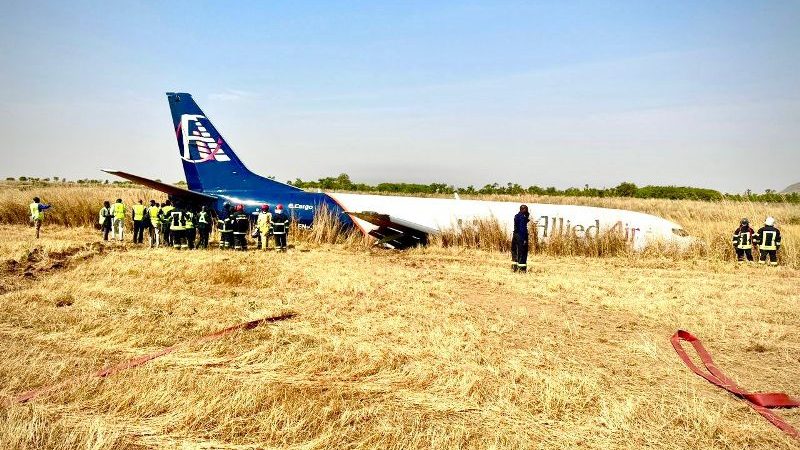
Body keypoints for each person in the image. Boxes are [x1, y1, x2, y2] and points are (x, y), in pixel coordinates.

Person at [511, 205, 530, 272]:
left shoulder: (516, 216)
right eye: (526, 209)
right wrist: (524, 239)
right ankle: (522, 269)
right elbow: (522, 228)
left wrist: (526, 217)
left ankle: (514, 267)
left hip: (515, 235)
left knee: (515, 252)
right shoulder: (522, 217)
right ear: (523, 209)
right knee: (523, 252)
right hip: (521, 236)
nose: (527, 211)